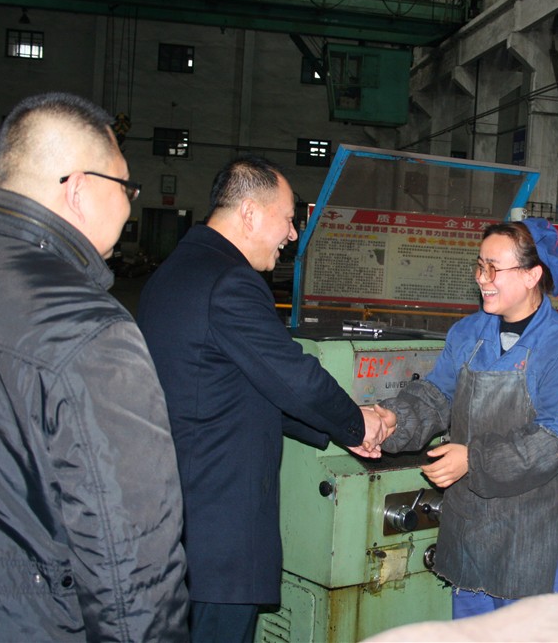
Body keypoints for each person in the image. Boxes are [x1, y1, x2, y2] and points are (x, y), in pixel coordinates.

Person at [137, 154, 393, 643]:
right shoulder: (230, 281)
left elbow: (240, 385)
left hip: (177, 523)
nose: (293, 234)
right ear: (250, 213)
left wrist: (334, 431)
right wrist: (357, 424)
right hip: (219, 534)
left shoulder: (173, 274)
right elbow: (294, 376)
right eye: (288, 219)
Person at [0, 92, 189, 641]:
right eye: (126, 187)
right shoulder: (88, 331)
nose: (130, 205)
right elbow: (130, 567)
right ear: (79, 188)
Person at [372, 218, 558, 618]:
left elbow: (556, 440)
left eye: (494, 268)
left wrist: (473, 460)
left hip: (534, 527)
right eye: (480, 266)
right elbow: (437, 395)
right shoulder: (468, 334)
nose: (482, 278)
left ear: (532, 275)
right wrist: (393, 419)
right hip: (471, 522)